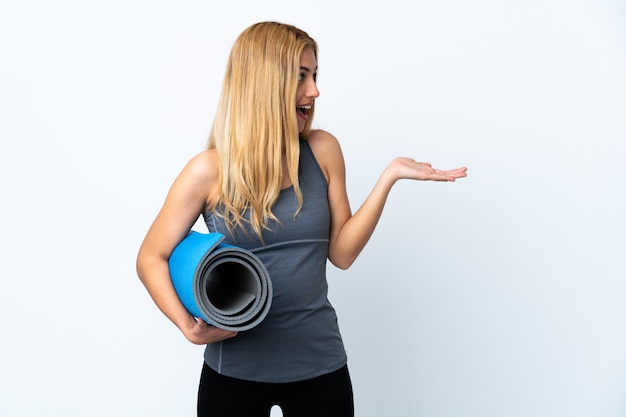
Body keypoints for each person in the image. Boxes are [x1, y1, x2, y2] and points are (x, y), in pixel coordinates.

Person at [136, 21, 467, 417]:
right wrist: (188, 327)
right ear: (263, 85)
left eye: (314, 76)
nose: (314, 90)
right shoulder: (208, 171)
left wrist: (388, 177)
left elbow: (341, 254)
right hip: (235, 372)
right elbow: (151, 257)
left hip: (320, 367)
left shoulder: (323, 150)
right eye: (300, 77)